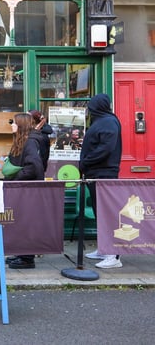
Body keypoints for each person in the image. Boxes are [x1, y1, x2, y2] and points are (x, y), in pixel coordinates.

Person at [80, 94, 123, 269]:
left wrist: (86, 160)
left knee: (109, 214)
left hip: (103, 174)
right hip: (97, 173)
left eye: (91, 106)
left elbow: (106, 148)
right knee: (101, 213)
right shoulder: (103, 121)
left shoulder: (108, 122)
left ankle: (114, 256)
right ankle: (104, 249)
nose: (89, 109)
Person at [5, 113, 45, 270]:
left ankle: (27, 258)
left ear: (20, 125)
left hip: (28, 189)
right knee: (21, 221)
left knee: (27, 222)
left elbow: (34, 167)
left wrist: (16, 179)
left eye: (13, 122)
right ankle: (22, 253)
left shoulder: (30, 142)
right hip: (23, 189)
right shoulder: (24, 140)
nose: (11, 125)